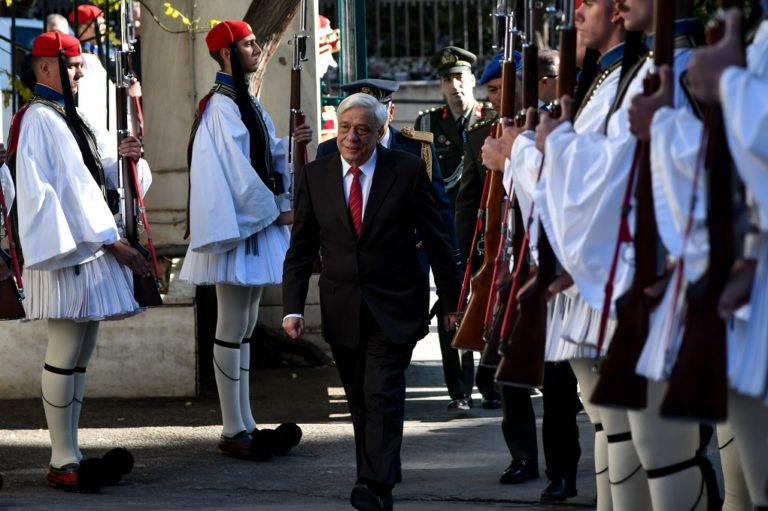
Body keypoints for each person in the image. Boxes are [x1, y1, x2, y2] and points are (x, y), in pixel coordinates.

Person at [533, 1, 716, 509]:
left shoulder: (679, 66)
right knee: (629, 433)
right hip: (642, 270)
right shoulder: (649, 69)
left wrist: (541, 150)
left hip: (674, 270)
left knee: (671, 449)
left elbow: (621, 176)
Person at [282, 92, 461, 511]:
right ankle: (378, 473)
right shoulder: (316, 175)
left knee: (382, 392)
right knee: (360, 398)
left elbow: (438, 240)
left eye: (363, 129)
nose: (352, 137)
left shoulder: (409, 170)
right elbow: (301, 247)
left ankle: (374, 485)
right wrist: (292, 306)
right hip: (342, 307)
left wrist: (451, 300)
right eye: (345, 128)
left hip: (396, 306)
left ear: (382, 132)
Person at [7, 31, 151, 492]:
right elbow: (67, 191)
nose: (81, 70)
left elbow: (97, 175)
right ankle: (62, 458)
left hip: (88, 245)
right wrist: (114, 244)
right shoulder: (40, 119)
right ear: (46, 67)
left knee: (81, 353)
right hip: (67, 250)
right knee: (65, 350)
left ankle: (71, 451)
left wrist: (128, 161)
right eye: (71, 65)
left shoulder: (71, 116)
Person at [179, 20, 308, 462]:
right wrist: (280, 210)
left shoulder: (244, 102)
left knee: (245, 328)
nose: (256, 48)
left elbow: (264, 154)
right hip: (238, 229)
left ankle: (246, 421)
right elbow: (237, 175)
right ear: (226, 53)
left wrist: (293, 145)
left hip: (254, 225)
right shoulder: (222, 107)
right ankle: (234, 427)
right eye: (248, 43)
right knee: (232, 328)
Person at [415, 46, 494, 410]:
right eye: (447, 79)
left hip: (485, 227)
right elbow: (425, 179)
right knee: (451, 304)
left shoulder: (492, 119)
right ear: (440, 85)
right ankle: (459, 391)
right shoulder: (428, 124)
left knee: (491, 302)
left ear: (472, 80)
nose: (454, 85)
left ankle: (491, 384)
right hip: (445, 231)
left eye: (460, 77)